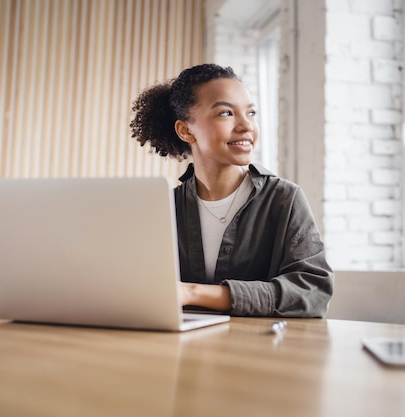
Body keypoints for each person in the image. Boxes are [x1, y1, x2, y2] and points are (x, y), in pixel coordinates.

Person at [130, 63, 333, 317]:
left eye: (251, 113)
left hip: (264, 351)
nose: (246, 126)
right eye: (226, 113)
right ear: (185, 130)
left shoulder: (284, 199)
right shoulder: (165, 207)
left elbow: (313, 291)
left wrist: (195, 293)